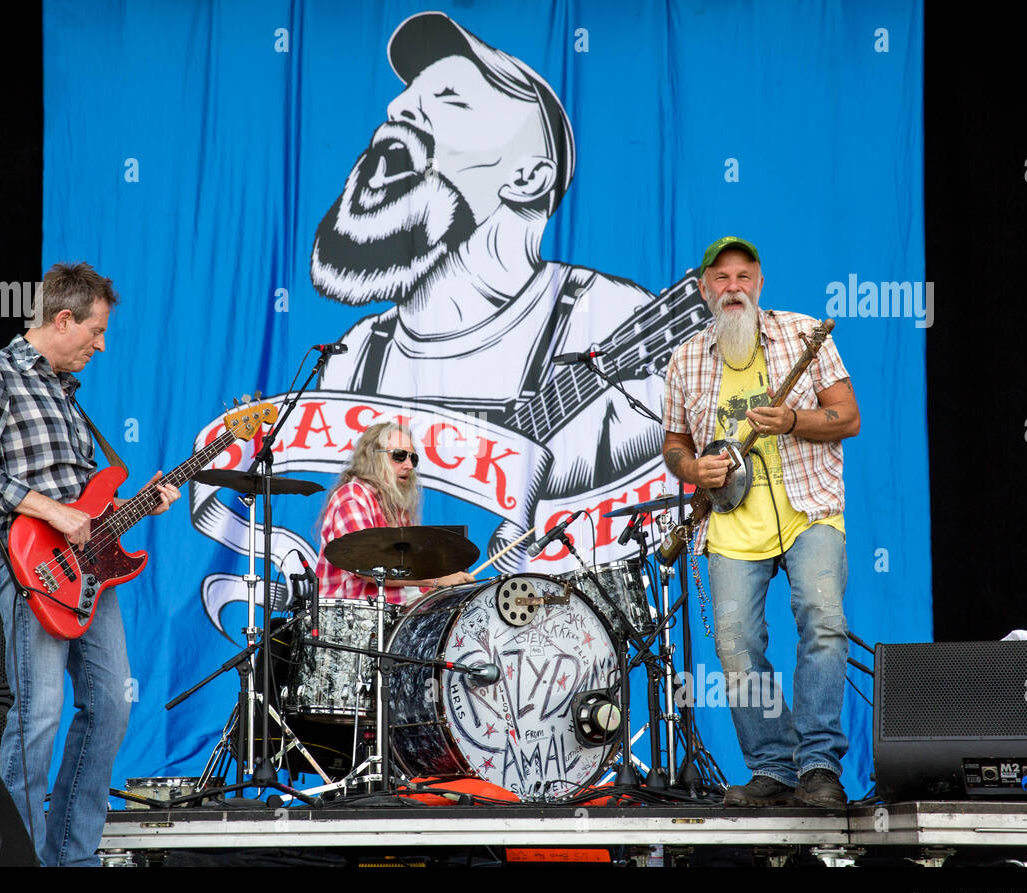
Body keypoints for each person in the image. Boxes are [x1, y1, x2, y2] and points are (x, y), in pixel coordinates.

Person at [310, 12, 675, 565]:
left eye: (450, 98)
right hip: (410, 634)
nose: (398, 108)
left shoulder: (608, 318)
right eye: (408, 94)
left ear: (528, 176)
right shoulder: (355, 357)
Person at [0, 262, 180, 865]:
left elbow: (86, 510)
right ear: (63, 318)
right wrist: (54, 514)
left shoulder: (68, 397)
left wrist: (138, 507)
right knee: (40, 714)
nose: (101, 346)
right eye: (96, 331)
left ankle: (72, 857)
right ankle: (21, 859)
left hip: (88, 576)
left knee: (111, 706)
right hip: (28, 570)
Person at [660, 237, 860, 809]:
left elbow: (848, 417)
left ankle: (819, 764)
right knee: (736, 645)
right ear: (703, 290)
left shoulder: (803, 335)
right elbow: (674, 443)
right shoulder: (686, 358)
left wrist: (794, 419)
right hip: (728, 522)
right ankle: (772, 766)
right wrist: (693, 467)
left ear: (761, 283)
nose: (733, 288)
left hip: (808, 509)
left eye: (743, 276)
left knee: (822, 621)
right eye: (720, 279)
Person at [315, 421, 474, 600]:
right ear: (373, 457)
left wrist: (441, 592)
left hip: (388, 615)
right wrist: (437, 580)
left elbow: (407, 585)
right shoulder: (353, 496)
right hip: (353, 617)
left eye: (412, 458)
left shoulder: (396, 507)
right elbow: (366, 568)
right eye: (399, 455)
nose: (409, 465)